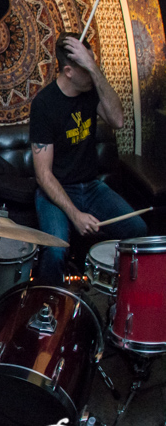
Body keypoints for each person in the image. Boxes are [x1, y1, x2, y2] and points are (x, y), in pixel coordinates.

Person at [30, 32, 147, 284]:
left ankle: (123, 298)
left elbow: (118, 120)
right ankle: (48, 302)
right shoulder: (44, 104)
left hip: (91, 187)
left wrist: (92, 68)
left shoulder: (91, 90)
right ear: (69, 71)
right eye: (87, 67)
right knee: (55, 250)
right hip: (57, 190)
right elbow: (44, 175)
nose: (94, 72)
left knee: (138, 230)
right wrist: (75, 215)